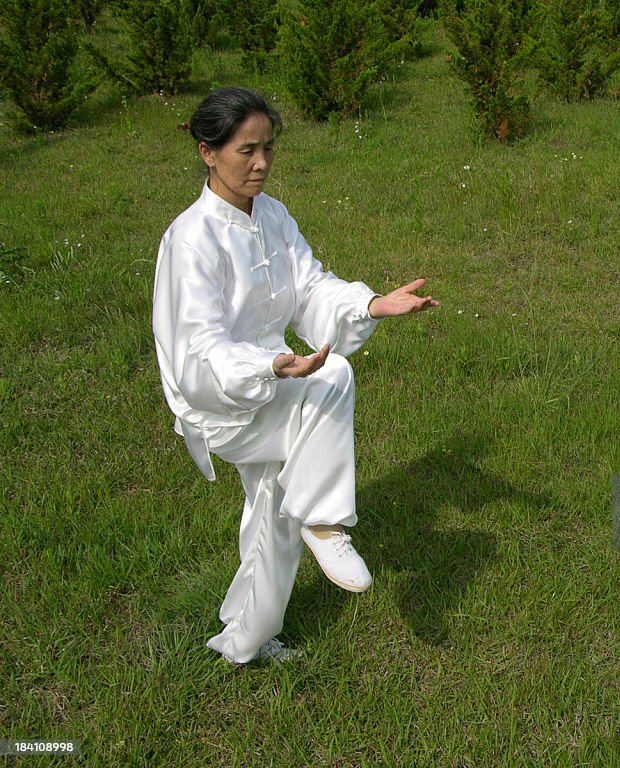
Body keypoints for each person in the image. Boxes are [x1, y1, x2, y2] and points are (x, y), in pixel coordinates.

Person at [152, 86, 437, 664]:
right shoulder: (190, 240)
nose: (260, 164)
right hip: (221, 403)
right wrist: (269, 364)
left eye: (269, 149)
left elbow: (309, 287)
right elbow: (197, 349)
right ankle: (327, 521)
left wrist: (371, 303)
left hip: (276, 384)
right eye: (245, 151)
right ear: (208, 152)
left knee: (273, 517)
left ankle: (245, 639)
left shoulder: (273, 215)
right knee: (331, 379)